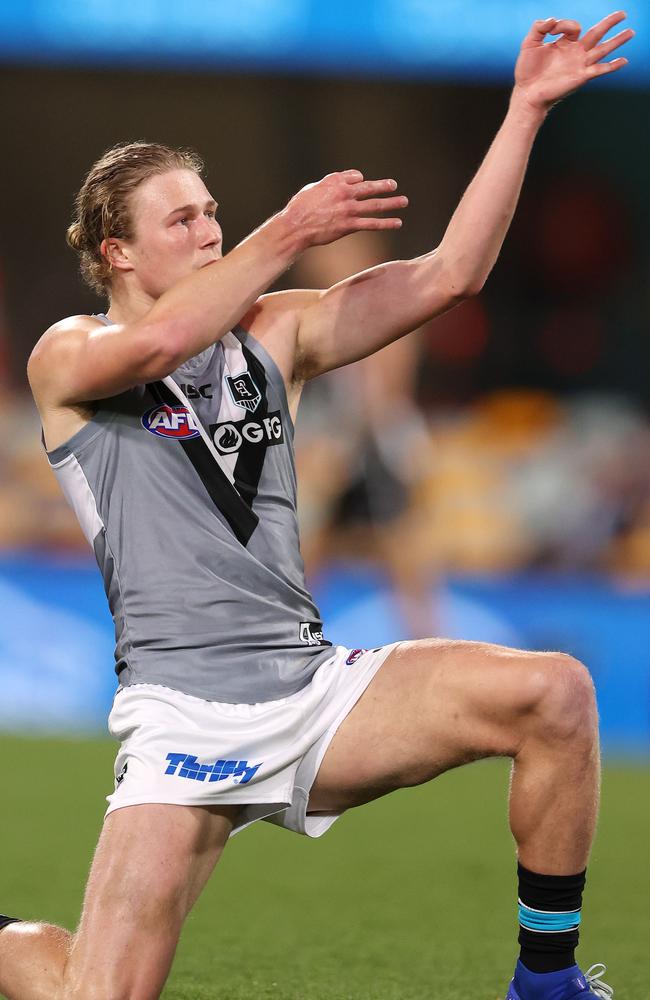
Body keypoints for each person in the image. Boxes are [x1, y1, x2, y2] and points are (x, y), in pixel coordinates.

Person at [1, 12, 632, 1000]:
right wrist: (286, 230)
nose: (209, 230)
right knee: (98, 992)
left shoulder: (273, 334)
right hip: (184, 720)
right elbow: (158, 349)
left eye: (212, 210)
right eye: (182, 220)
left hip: (311, 688)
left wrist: (522, 114)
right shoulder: (68, 354)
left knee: (553, 692)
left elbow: (447, 276)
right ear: (116, 252)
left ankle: (544, 981)